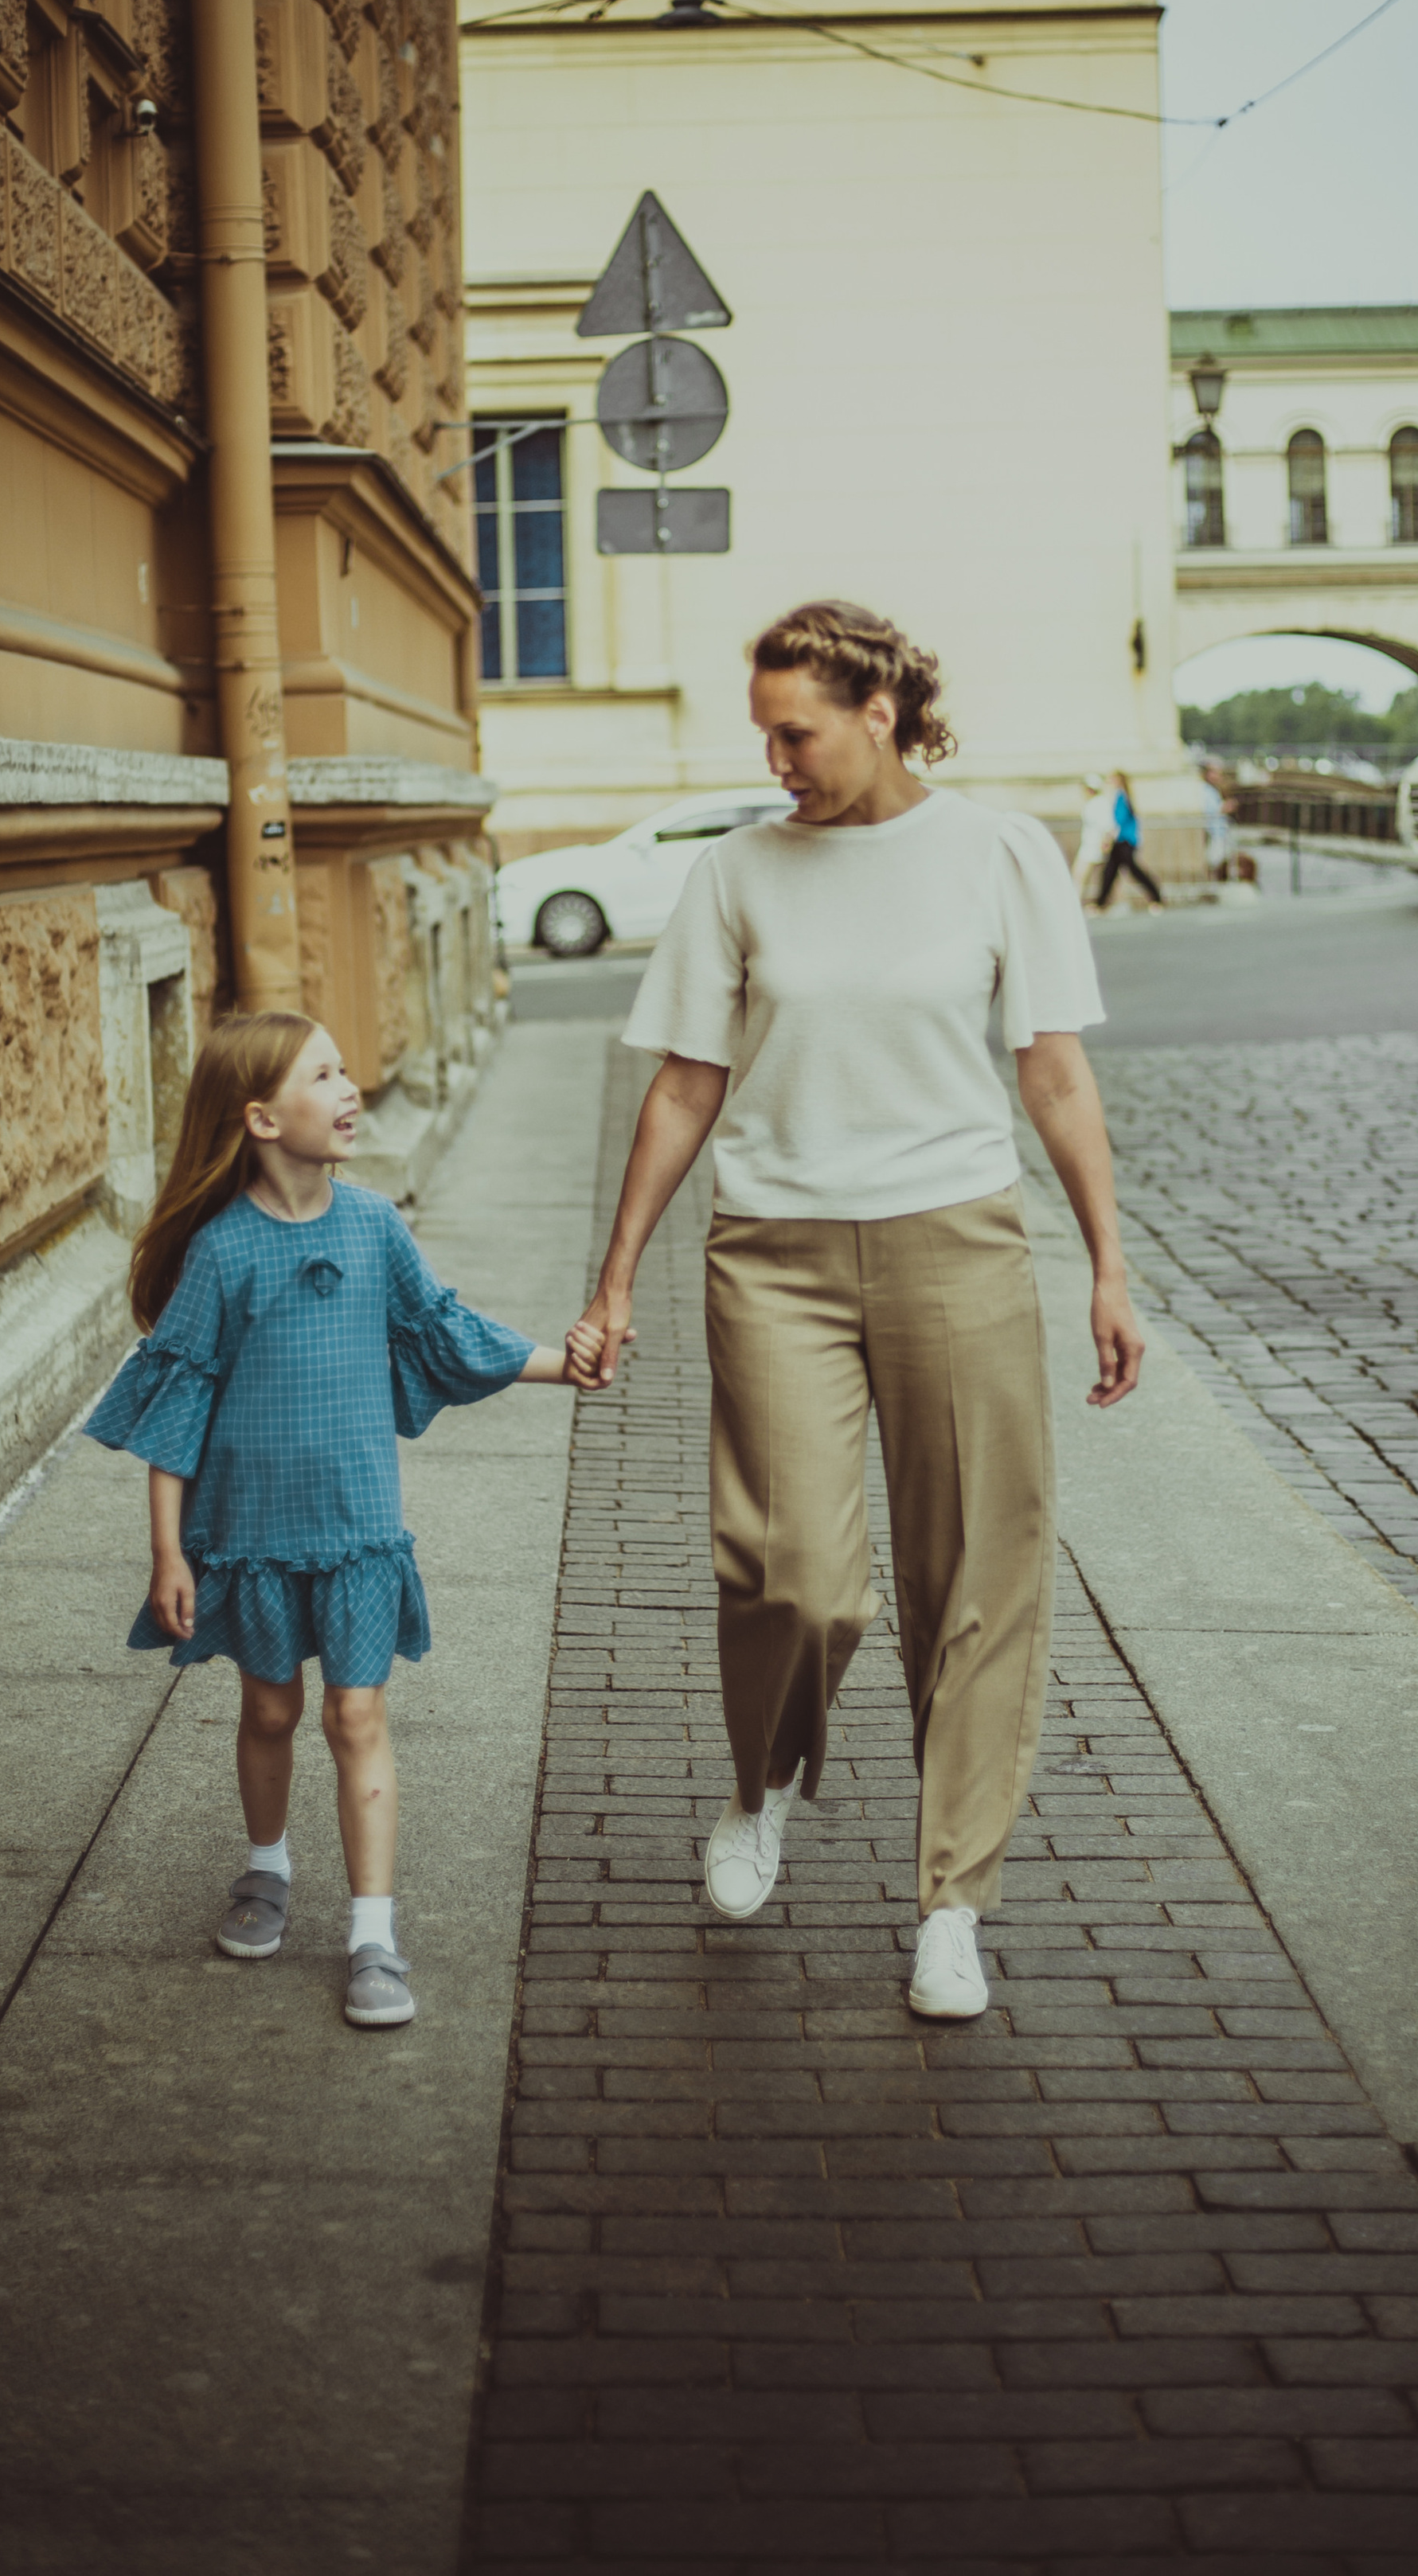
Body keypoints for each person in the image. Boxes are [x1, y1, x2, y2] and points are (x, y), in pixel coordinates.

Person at [565, 602, 1144, 2024]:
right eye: (764, 731)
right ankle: (759, 1790)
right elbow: (689, 1080)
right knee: (791, 1575)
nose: (776, 759)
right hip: (774, 1255)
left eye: (795, 730)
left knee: (975, 1583)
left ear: (879, 713)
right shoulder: (740, 873)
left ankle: (954, 1902)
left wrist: (1108, 1266)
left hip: (959, 1244)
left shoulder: (1002, 856)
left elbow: (1054, 1074)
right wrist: (618, 1272)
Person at [86, 1010, 575, 2031]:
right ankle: (266, 1869)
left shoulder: (374, 1227)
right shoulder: (222, 1255)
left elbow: (443, 1331)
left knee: (357, 1717)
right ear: (262, 1118)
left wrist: (557, 1363)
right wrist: (168, 1551)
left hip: (357, 1534)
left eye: (346, 1068)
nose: (352, 1087)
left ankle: (371, 1935)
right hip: (256, 1538)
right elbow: (176, 1407)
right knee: (270, 1711)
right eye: (325, 1075)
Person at [1098, 769, 1164, 910]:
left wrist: (1108, 837)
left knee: (1131, 871)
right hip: (1123, 840)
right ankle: (1101, 902)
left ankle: (1156, 896)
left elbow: (1119, 821)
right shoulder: (1122, 796)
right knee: (1111, 871)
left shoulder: (1121, 796)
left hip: (1124, 840)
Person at [1070, 771, 1116, 907]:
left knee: (1085, 875)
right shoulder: (1093, 803)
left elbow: (1107, 826)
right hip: (1089, 844)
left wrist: (1106, 842)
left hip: (1095, 846)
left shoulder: (1100, 803)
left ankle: (1110, 903)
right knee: (1086, 876)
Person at [1200, 762, 1234, 881]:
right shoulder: (1205, 790)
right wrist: (1224, 808)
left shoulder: (1213, 790)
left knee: (1218, 860)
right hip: (1213, 832)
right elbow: (1208, 811)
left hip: (1219, 831)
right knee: (1213, 861)